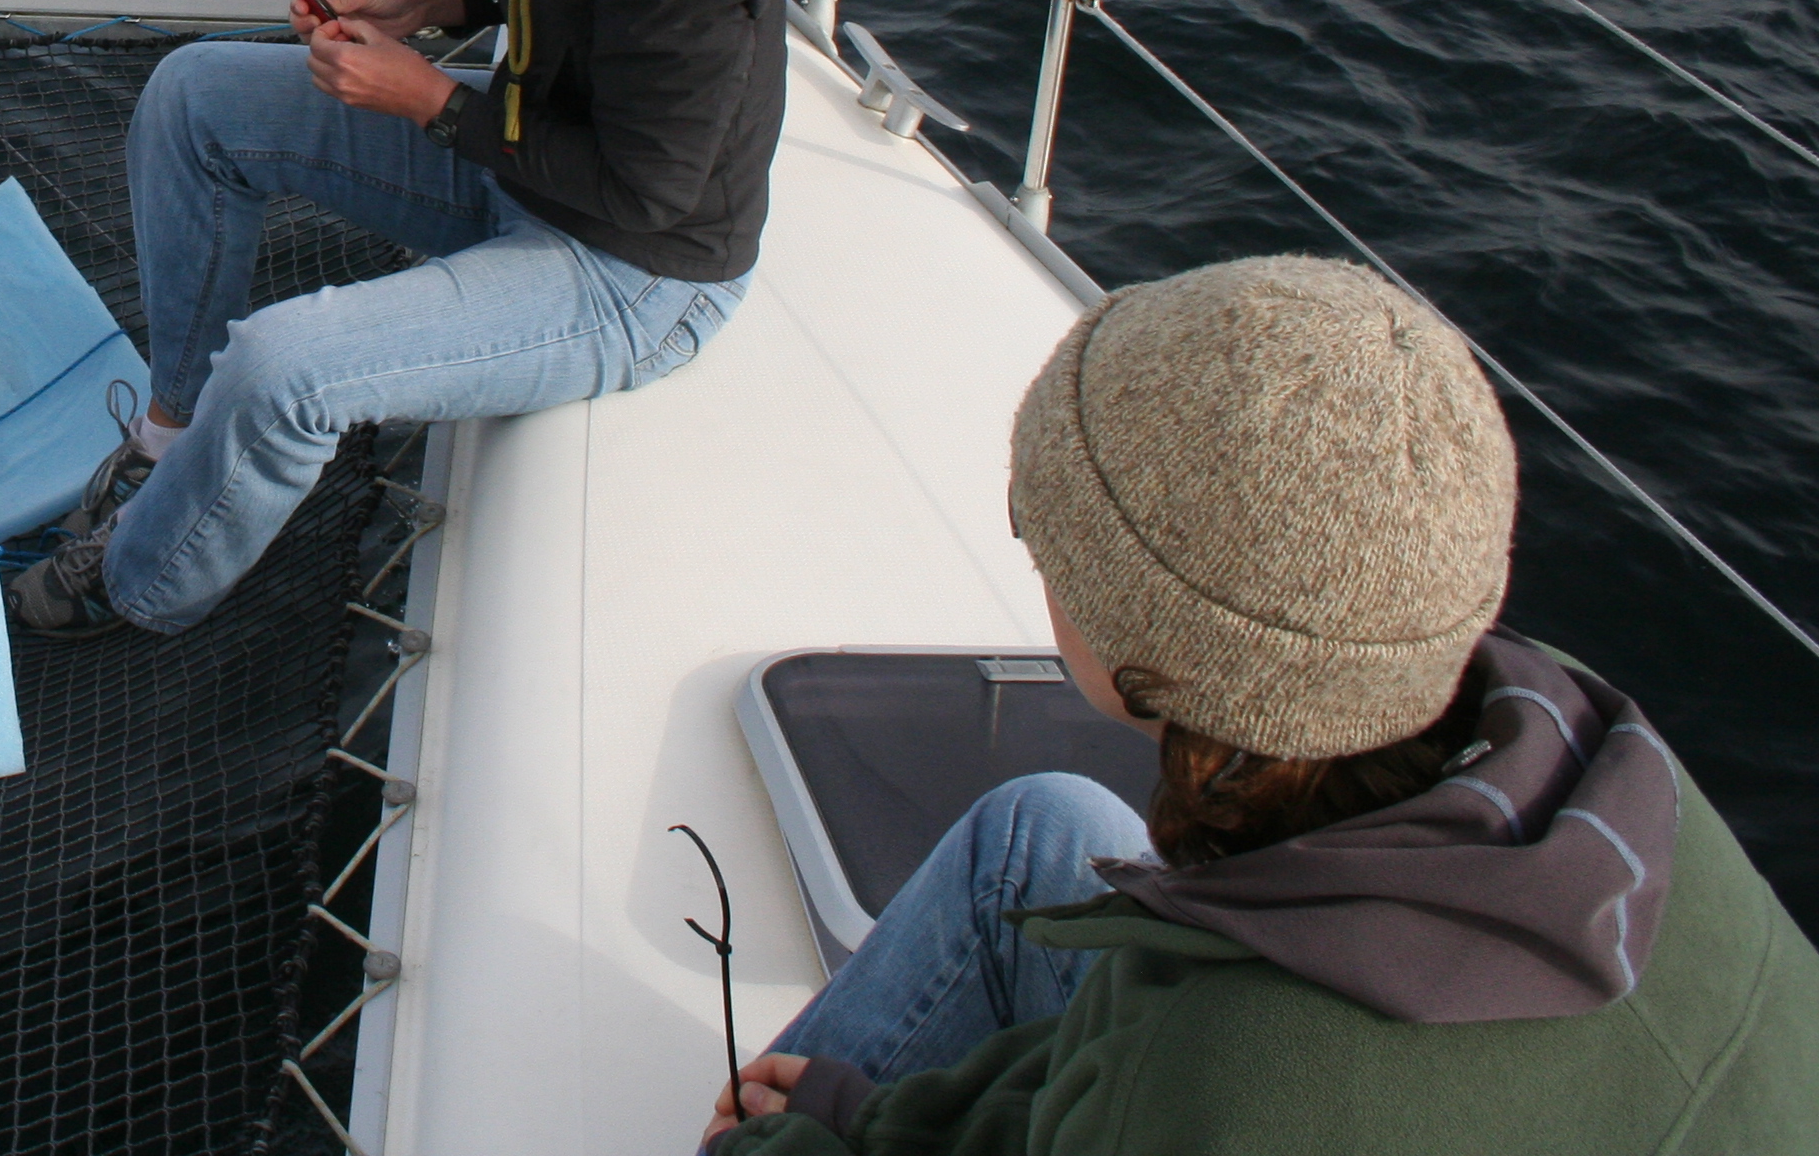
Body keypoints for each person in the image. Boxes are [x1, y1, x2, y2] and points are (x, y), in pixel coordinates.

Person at [702, 255, 1819, 1153]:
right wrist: (885, 1127)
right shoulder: (1596, 767)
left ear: (1154, 648)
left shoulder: (1228, 1078)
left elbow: (1203, 1089)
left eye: (1041, 532)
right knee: (1043, 831)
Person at [8, 0, 784, 635]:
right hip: (531, 163)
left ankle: (139, 585)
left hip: (636, 272)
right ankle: (169, 441)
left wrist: (429, 101)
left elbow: (649, 192)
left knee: (283, 371)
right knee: (193, 98)